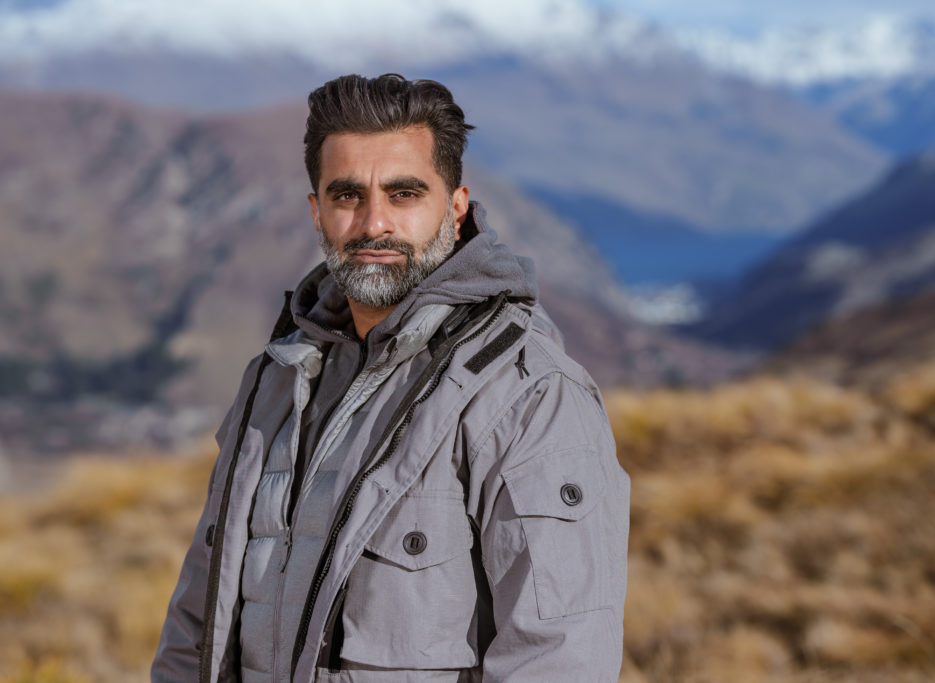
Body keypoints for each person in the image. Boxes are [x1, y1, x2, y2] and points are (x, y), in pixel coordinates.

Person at [152, 73, 629, 683]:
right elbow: (197, 623)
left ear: (455, 208)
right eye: (347, 194)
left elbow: (559, 661)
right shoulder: (274, 381)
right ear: (316, 211)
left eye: (404, 194)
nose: (374, 222)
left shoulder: (529, 395)